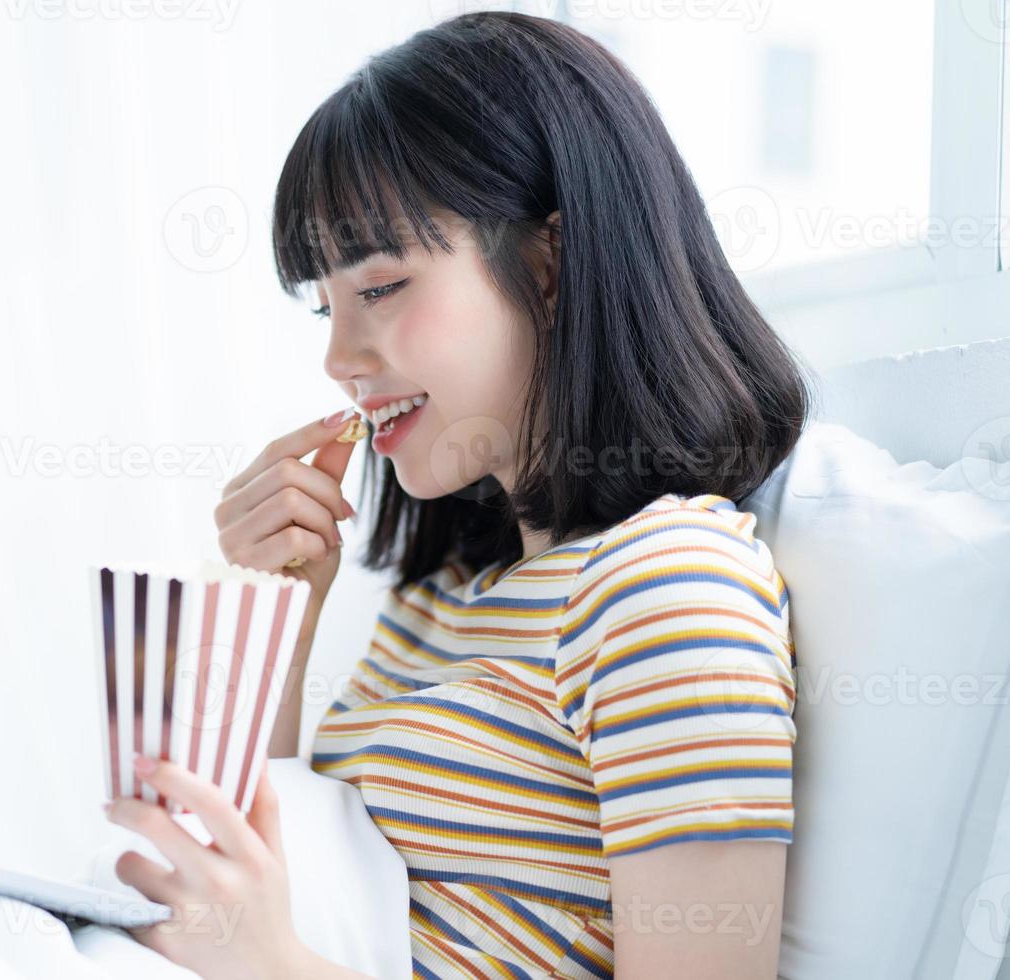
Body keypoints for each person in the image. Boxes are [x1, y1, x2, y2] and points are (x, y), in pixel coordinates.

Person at [105, 12, 808, 978]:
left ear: (549, 264)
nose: (338, 357)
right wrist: (283, 623)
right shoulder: (438, 607)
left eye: (381, 287)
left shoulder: (669, 591)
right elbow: (294, 879)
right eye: (325, 304)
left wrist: (269, 967)